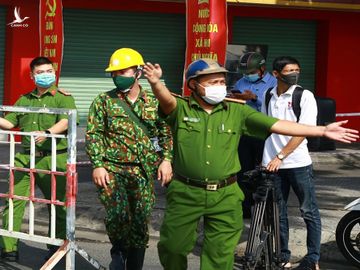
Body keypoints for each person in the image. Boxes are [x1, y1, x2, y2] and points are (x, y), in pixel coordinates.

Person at [142, 58, 358, 270]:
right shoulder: (181, 108)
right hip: (185, 192)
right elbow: (166, 101)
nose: (219, 87)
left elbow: (278, 124)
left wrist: (321, 130)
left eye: (221, 82)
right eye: (212, 82)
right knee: (172, 247)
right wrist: (156, 83)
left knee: (219, 255)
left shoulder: (237, 111)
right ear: (194, 85)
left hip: (225, 195)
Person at [85, 48, 173, 270]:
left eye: (123, 71)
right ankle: (118, 252)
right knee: (118, 216)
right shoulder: (104, 101)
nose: (118, 76)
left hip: (143, 172)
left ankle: (133, 265)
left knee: (140, 223)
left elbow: (166, 134)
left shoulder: (154, 103)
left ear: (138, 73)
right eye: (114, 73)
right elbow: (94, 134)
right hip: (112, 170)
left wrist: (166, 160)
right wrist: (97, 165)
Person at [0, 56, 78, 261]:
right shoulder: (24, 99)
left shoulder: (62, 97)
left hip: (53, 158)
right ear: (32, 75)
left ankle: (57, 247)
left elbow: (67, 119)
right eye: (40, 72)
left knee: (58, 204)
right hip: (25, 158)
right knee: (13, 201)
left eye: (48, 71)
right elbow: (9, 123)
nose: (46, 75)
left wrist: (48, 132)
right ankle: (9, 247)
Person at [261, 56, 320, 270]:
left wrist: (281, 156)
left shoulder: (304, 96)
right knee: (279, 213)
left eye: (297, 69)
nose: (294, 73)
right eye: (289, 70)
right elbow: (265, 126)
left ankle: (313, 259)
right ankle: (282, 256)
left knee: (309, 211)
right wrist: (268, 158)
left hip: (297, 163)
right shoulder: (268, 95)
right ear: (276, 74)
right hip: (272, 165)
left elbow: (304, 131)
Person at [232, 52, 277, 218]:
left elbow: (273, 105)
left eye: (251, 72)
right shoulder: (241, 82)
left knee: (264, 171)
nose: (248, 76)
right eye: (246, 73)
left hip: (265, 135)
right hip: (244, 134)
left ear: (262, 69)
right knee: (243, 170)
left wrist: (254, 98)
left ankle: (264, 208)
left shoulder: (274, 82)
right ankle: (245, 206)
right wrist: (236, 98)